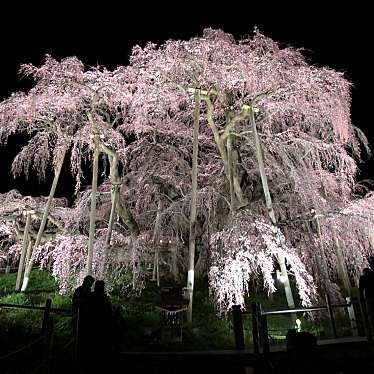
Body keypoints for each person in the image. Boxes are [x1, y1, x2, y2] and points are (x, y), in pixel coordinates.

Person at [72, 275, 95, 366]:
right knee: (79, 334)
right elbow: (75, 301)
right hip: (80, 315)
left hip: (87, 316)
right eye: (90, 283)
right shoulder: (79, 290)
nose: (91, 285)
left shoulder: (88, 291)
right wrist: (84, 301)